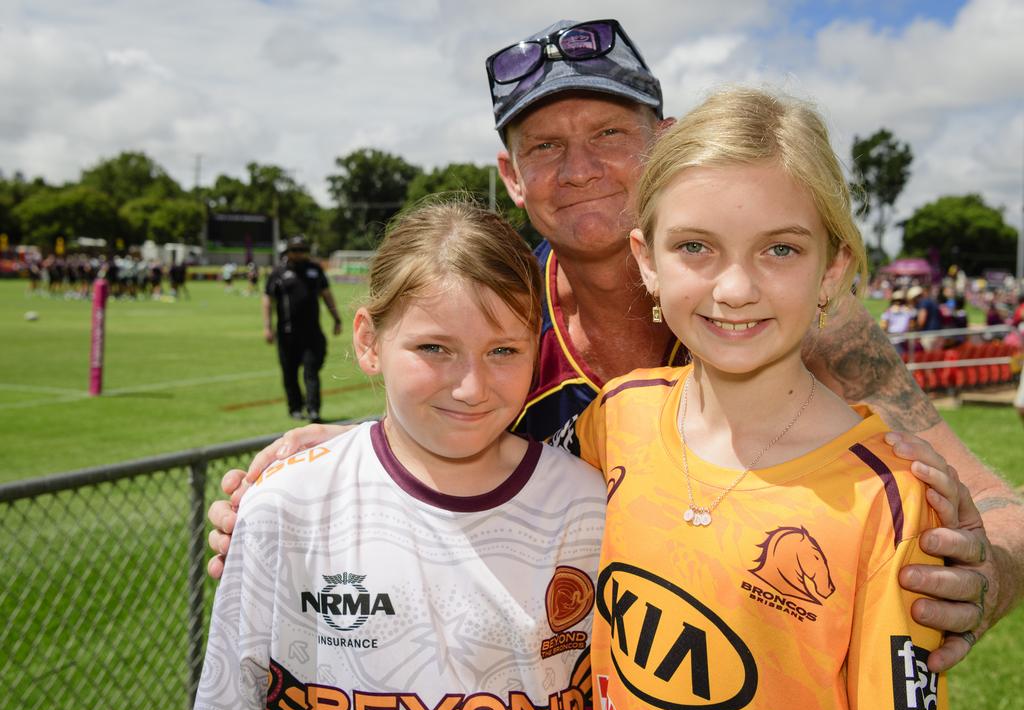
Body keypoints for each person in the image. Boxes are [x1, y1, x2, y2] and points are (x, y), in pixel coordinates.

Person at [210, 18, 1019, 672]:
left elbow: (997, 507)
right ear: (512, 176)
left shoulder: (791, 318)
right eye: (545, 148)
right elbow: (430, 451)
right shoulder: (500, 321)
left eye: (608, 132)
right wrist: (321, 478)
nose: (580, 168)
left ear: (663, 141)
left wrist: (984, 574)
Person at [555, 86, 953, 710]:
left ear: (833, 268)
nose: (735, 287)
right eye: (695, 247)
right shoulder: (616, 415)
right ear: (647, 260)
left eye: (780, 251)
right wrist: (371, 448)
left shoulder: (888, 500)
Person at [183, 199, 608, 710]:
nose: (471, 388)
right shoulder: (286, 502)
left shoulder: (585, 503)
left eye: (503, 350)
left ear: (537, 349)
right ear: (368, 342)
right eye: (435, 348)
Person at [263, 235, 343, 422]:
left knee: (311, 370)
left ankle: (314, 410)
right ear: (288, 252)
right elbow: (268, 299)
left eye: (302, 250)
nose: (299, 254)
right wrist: (267, 326)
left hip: (312, 332)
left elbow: (326, 294)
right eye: (295, 250)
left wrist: (336, 318)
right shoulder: (278, 272)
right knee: (289, 372)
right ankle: (295, 408)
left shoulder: (315, 270)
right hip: (287, 333)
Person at [880, 290, 914, 354]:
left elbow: (883, 326)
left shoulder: (888, 311)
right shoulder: (908, 311)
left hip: (891, 338)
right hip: (904, 339)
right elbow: (911, 326)